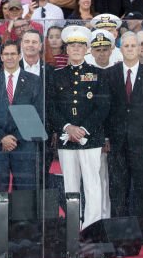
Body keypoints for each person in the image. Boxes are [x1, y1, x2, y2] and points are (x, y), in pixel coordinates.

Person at [46, 25, 110, 230]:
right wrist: (67, 128)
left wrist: (82, 129)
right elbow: (51, 107)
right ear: (66, 50)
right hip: (67, 139)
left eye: (80, 46)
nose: (75, 49)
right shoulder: (56, 75)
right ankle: (75, 224)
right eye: (72, 45)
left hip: (90, 138)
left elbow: (102, 107)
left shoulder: (98, 74)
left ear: (87, 49)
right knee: (70, 184)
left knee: (92, 183)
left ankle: (92, 225)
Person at [106, 31, 143, 239]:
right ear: (120, 49)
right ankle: (118, 231)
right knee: (118, 187)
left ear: (140, 49)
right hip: (117, 141)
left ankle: (140, 231)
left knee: (141, 188)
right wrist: (106, 138)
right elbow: (107, 108)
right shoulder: (110, 73)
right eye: (126, 46)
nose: (130, 49)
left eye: (133, 46)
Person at [0, 38, 43, 203]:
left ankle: (24, 228)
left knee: (25, 194)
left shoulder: (34, 81)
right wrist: (2, 137)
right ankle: (1, 228)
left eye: (13, 54)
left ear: (19, 56)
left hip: (24, 145)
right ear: (1, 57)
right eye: (6, 54)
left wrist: (14, 139)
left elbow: (37, 113)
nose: (9, 57)